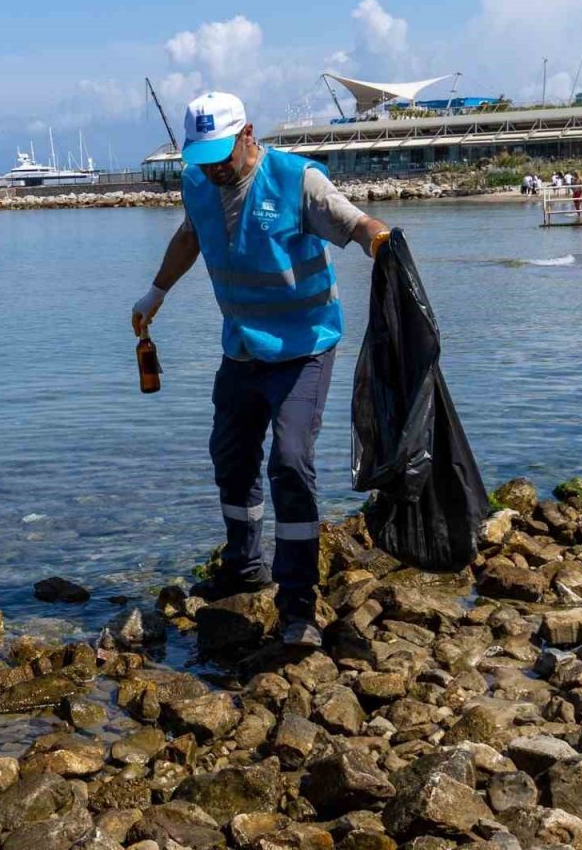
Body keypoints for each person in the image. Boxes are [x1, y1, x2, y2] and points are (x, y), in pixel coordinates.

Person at [131, 91, 391, 647]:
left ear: (248, 133)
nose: (214, 168)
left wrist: (384, 245)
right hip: (243, 350)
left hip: (304, 349)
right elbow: (190, 235)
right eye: (203, 158)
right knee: (230, 455)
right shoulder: (200, 181)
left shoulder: (298, 182)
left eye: (222, 155)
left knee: (291, 463)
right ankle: (244, 566)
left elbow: (355, 223)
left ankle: (298, 603)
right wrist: (156, 293)